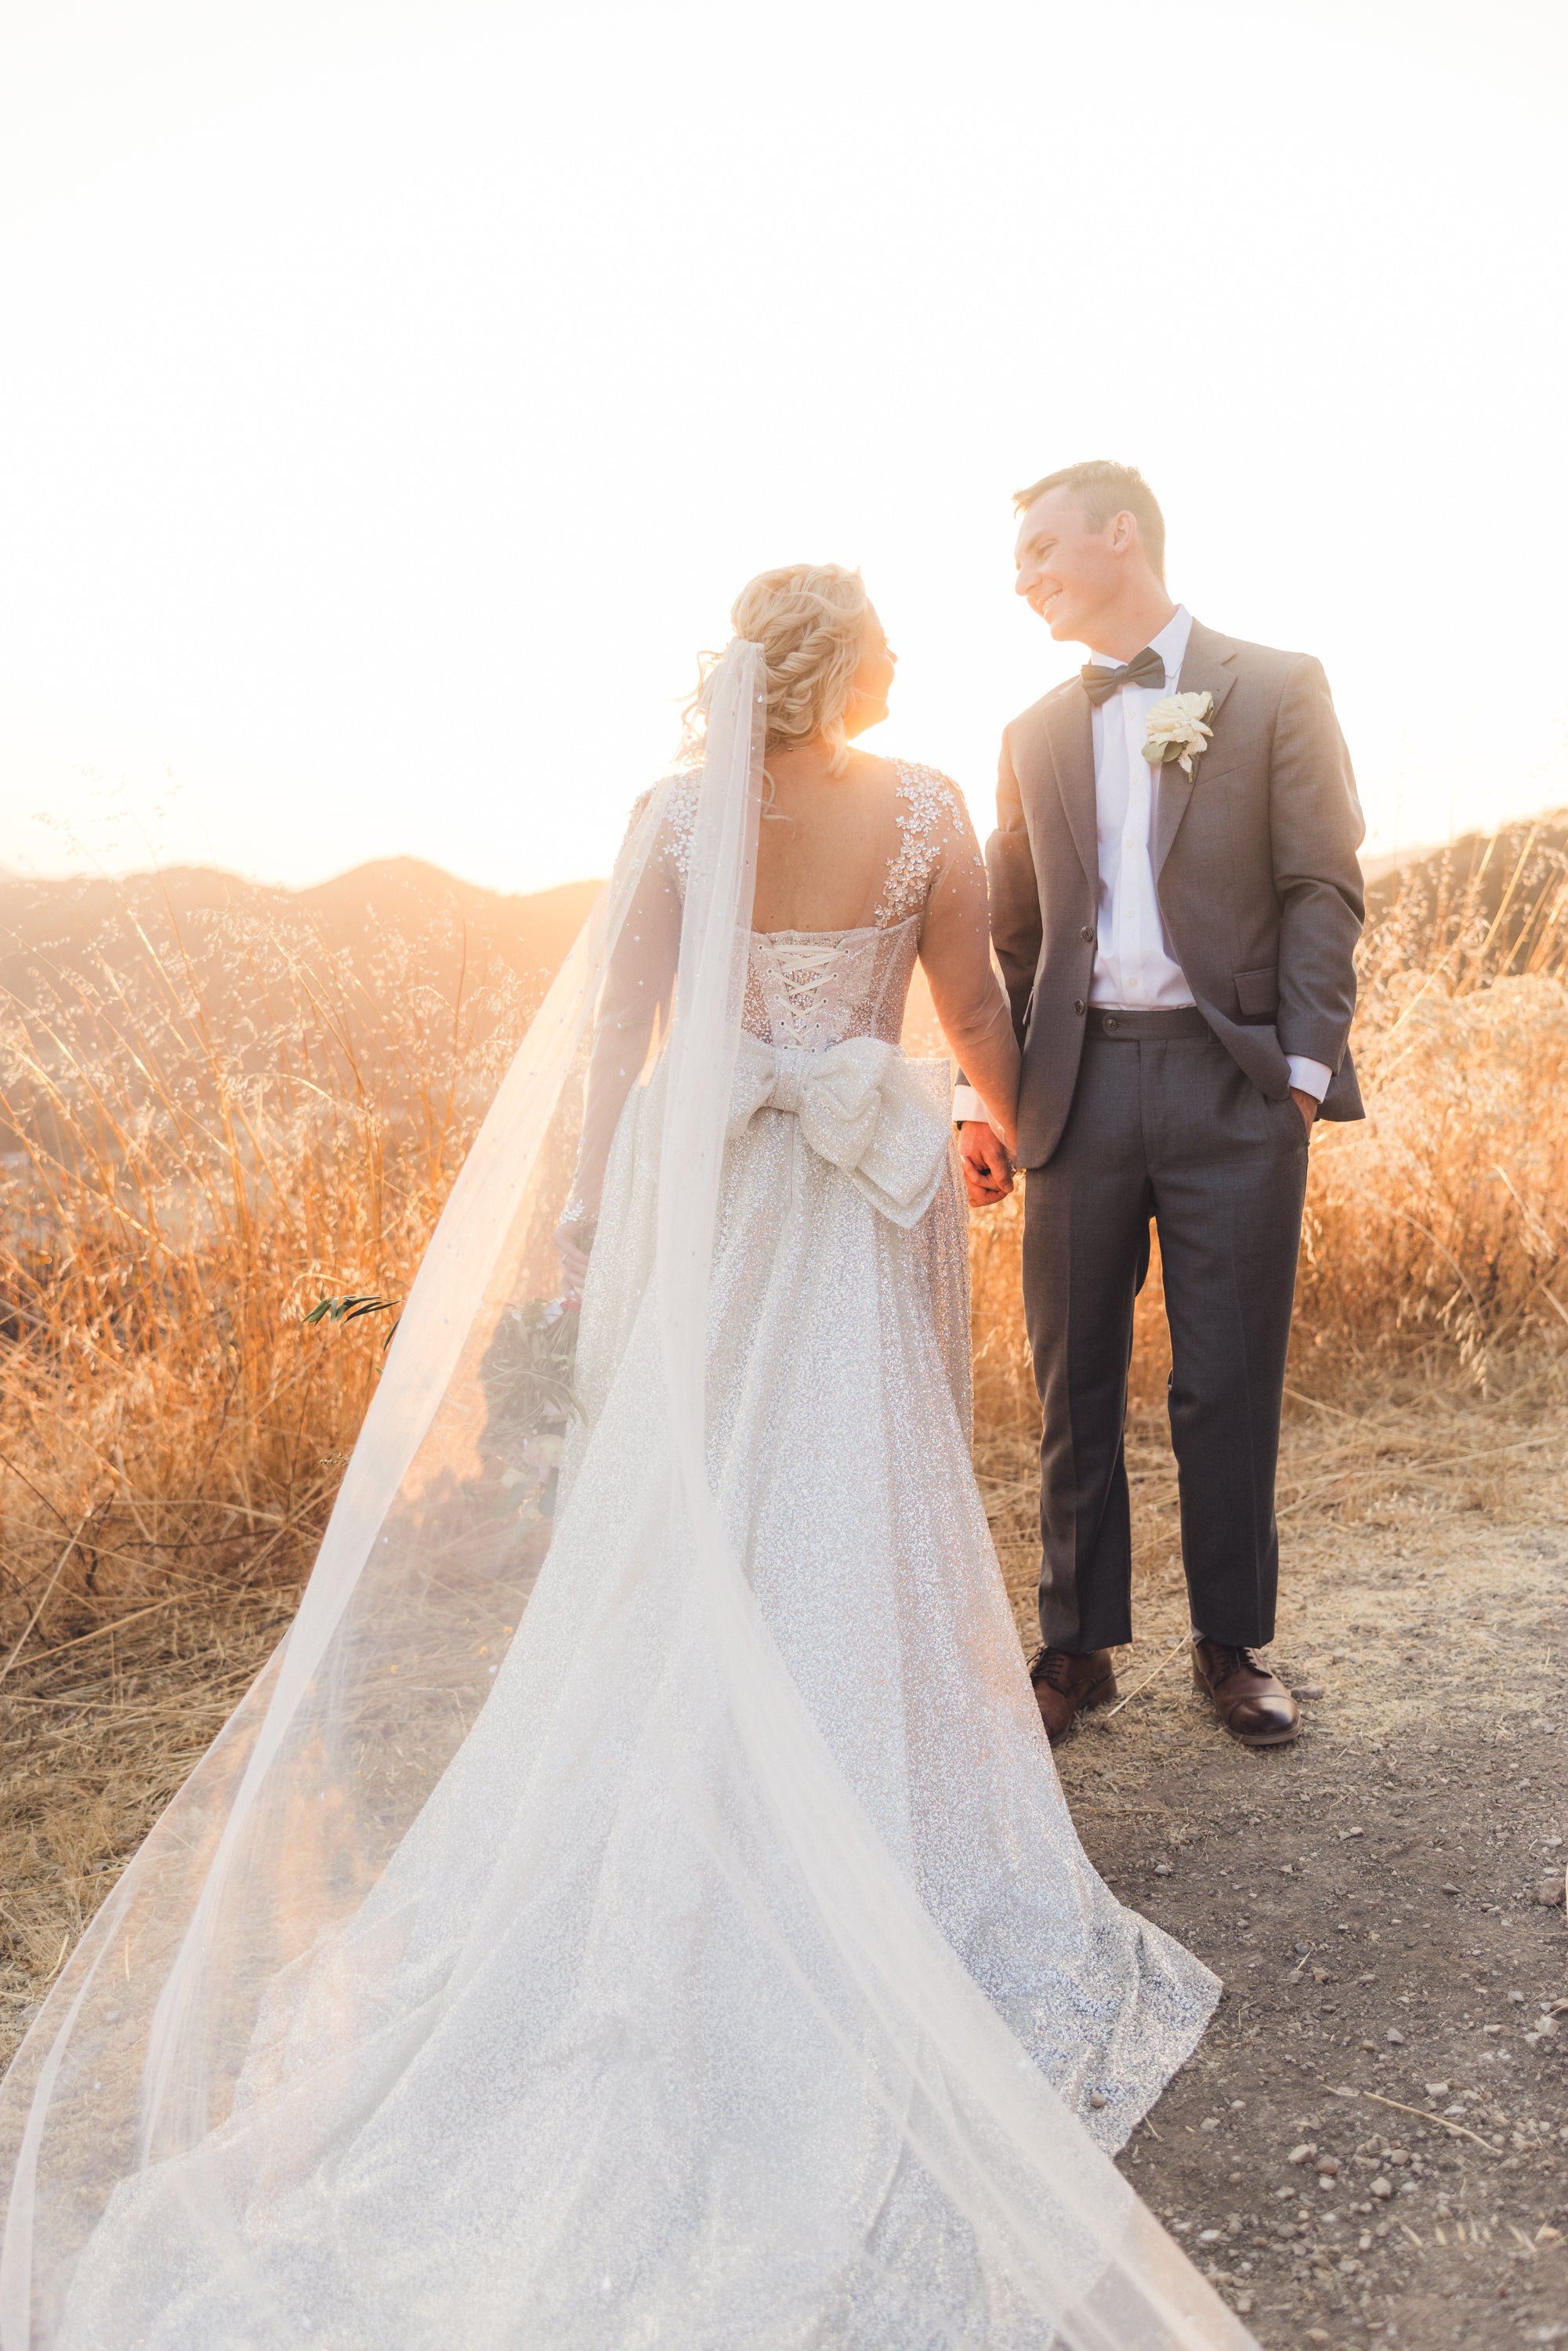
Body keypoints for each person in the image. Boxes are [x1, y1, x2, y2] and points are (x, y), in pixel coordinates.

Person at [0, 566, 1251, 2350]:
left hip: (712, 1189)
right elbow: (968, 1002)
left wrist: (595, 1209)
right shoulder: (921, 812)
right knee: (855, 1476)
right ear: (854, 666)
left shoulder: (674, 817)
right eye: (884, 640)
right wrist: (1003, 1123)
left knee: (693, 1498)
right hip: (846, 1199)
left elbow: (615, 1033)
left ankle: (713, 1765)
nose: (898, 659)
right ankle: (853, 1802)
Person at [956, 463, 1364, 1749]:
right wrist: (988, 1104)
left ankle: (1231, 1644)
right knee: (1070, 1377)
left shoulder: (1276, 685)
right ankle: (1077, 1647)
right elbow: (1007, 943)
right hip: (1072, 1095)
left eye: (1039, 550)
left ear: (1118, 535)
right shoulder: (1028, 732)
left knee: (1227, 1381)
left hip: (1233, 1083)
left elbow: (1321, 884)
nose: (1021, 578)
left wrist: (1301, 1072)